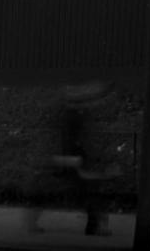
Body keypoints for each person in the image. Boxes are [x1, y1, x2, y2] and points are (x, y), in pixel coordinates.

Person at [27, 81, 109, 235]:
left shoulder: (68, 115)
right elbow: (73, 139)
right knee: (89, 192)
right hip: (71, 159)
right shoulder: (74, 117)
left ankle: (94, 225)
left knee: (56, 192)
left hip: (67, 159)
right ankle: (94, 226)